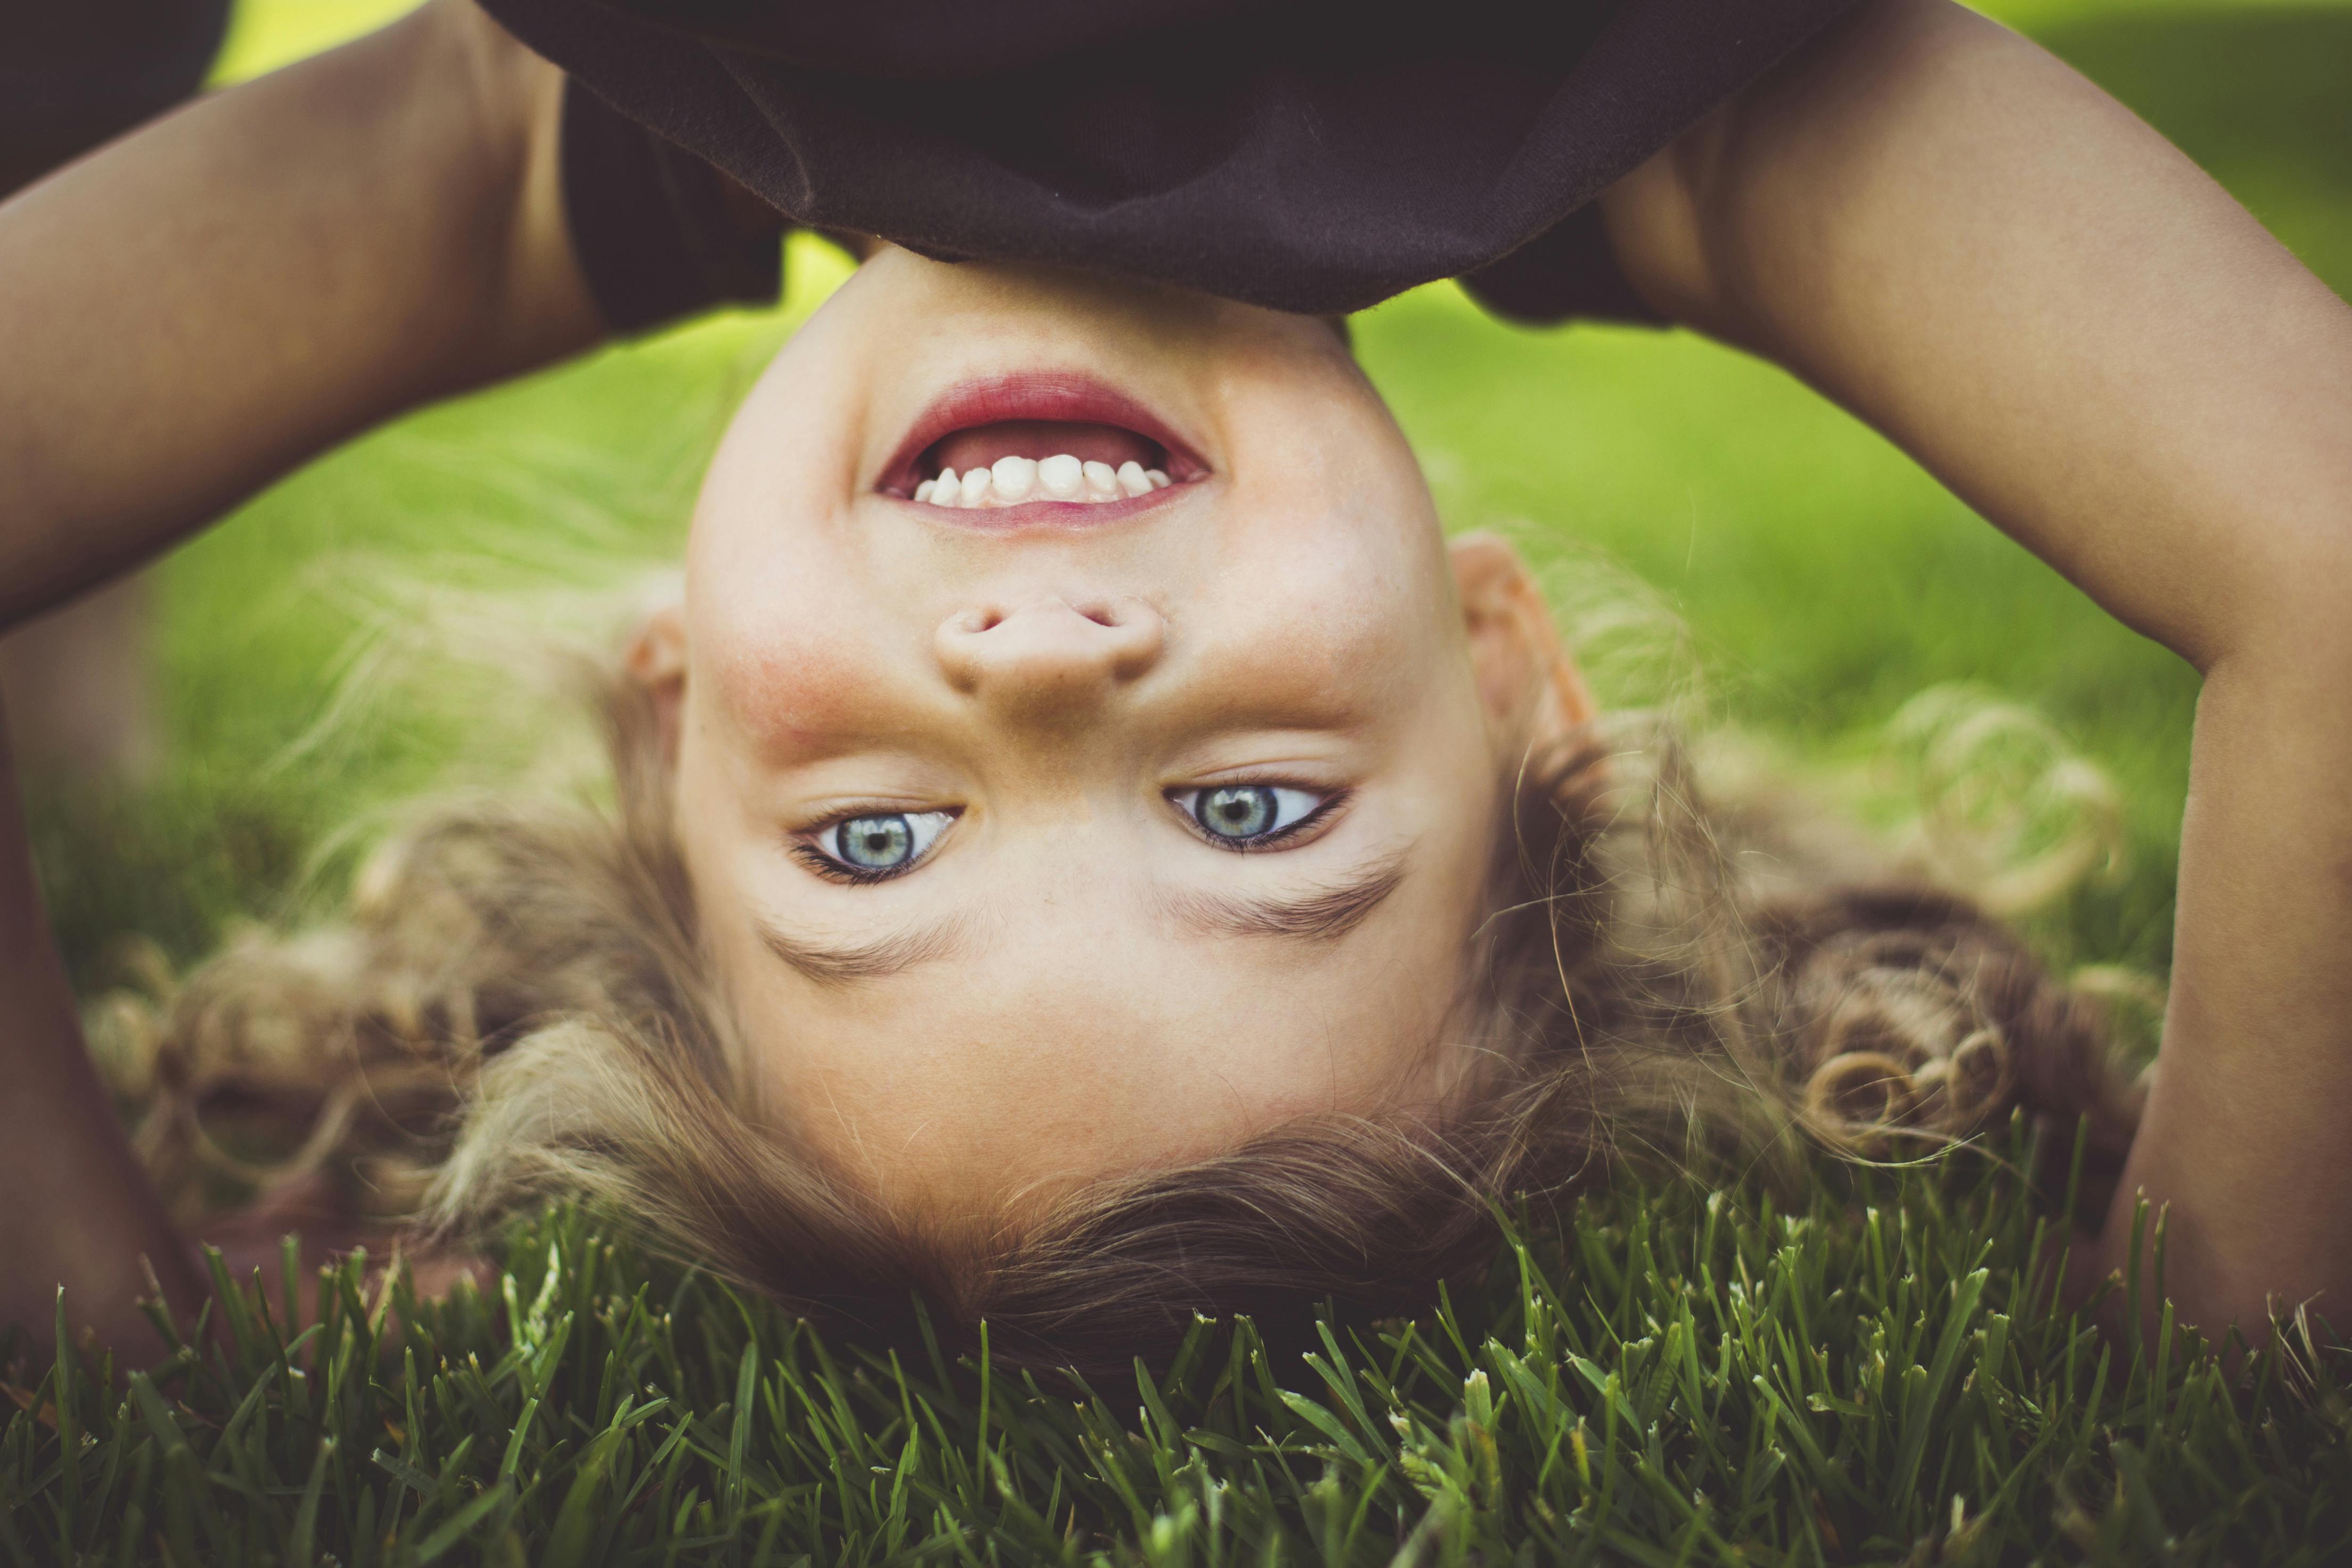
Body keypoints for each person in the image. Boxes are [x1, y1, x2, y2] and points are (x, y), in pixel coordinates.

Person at [2, 0, 2348, 1369]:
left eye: (871, 843)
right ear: (1511, 671)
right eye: (1250, 814)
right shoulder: (1663, 104)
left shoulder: (582, 127)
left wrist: (110, 1322)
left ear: (672, 703)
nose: (1039, 673)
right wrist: (2217, 1333)